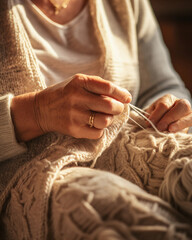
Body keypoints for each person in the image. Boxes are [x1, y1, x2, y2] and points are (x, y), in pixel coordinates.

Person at [0, 0, 192, 239]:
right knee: (128, 221)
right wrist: (37, 112)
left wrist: (172, 108)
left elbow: (162, 84)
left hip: (134, 146)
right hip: (31, 178)